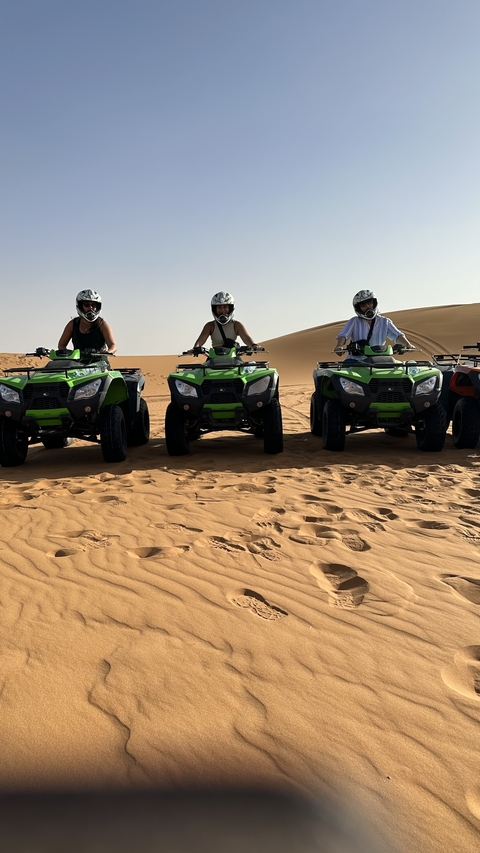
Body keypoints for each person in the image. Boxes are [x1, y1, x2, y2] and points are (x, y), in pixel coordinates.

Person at [334, 290, 411, 356]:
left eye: (370, 303)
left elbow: (397, 335)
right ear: (359, 308)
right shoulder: (354, 321)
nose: (368, 306)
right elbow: (344, 335)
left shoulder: (385, 321)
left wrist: (408, 345)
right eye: (363, 305)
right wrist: (339, 346)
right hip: (357, 360)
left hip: (380, 358)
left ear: (374, 303)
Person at [192, 292, 259, 351]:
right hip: (214, 357)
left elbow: (246, 337)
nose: (222, 310)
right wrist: (196, 348)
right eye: (219, 307)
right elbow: (202, 338)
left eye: (225, 307)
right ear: (215, 309)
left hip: (233, 356)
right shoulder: (210, 325)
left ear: (230, 308)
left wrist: (253, 345)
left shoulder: (236, 325)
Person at [58, 290, 117, 354]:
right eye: (86, 305)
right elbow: (61, 345)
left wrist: (108, 352)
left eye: (94, 305)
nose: (90, 308)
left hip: (99, 362)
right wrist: (69, 353)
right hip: (77, 363)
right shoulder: (73, 324)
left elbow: (113, 346)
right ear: (80, 306)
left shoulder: (102, 324)